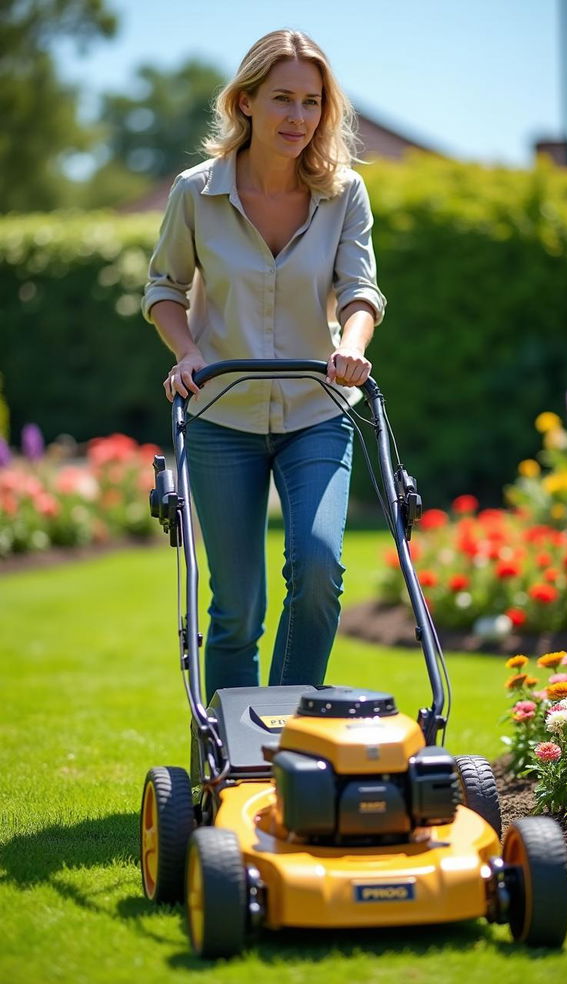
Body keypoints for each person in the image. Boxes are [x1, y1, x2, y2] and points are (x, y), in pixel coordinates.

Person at [142, 29, 386, 701]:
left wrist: (353, 346)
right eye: (282, 98)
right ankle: (228, 757)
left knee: (319, 566)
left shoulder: (345, 194)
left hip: (318, 411)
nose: (298, 118)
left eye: (312, 102)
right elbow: (164, 288)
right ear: (245, 102)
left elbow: (361, 290)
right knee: (237, 609)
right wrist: (187, 352)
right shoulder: (195, 193)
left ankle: (285, 736)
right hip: (223, 414)